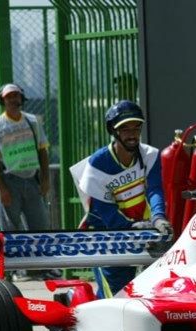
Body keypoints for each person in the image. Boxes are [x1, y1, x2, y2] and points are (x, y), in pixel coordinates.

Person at [70, 100, 172, 298]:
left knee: (151, 291)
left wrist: (159, 218)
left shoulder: (150, 155)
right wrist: (133, 228)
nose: (132, 133)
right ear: (113, 131)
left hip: (141, 230)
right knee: (115, 297)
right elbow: (105, 211)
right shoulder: (97, 164)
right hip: (106, 236)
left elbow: (155, 191)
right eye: (124, 128)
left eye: (136, 127)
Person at [0, 83, 58, 281]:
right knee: (10, 228)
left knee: (39, 224)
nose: (13, 100)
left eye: (16, 96)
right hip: (8, 181)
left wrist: (45, 179)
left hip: (31, 180)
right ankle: (15, 270)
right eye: (9, 97)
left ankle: (43, 268)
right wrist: (2, 189)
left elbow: (42, 150)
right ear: (2, 101)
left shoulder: (33, 122)